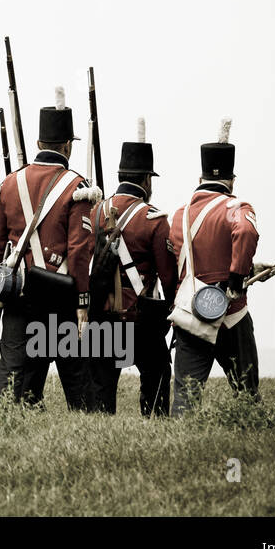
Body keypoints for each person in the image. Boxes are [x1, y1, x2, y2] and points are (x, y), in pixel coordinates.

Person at [0, 88, 99, 410]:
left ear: (38, 144)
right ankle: (89, 436)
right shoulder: (76, 186)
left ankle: (2, 432)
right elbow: (79, 251)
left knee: (12, 374)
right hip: (60, 295)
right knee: (76, 374)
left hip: (19, 293)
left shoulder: (10, 183)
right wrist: (82, 302)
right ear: (67, 146)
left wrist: (2, 285)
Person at [169, 119, 265, 417]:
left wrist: (244, 270)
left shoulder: (178, 216)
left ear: (200, 177)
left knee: (185, 400)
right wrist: (237, 278)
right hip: (232, 315)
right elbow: (246, 234)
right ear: (232, 179)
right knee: (246, 394)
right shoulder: (237, 208)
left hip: (193, 314)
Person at [83, 119, 177, 415]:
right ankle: (154, 425)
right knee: (158, 374)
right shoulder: (154, 219)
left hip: (101, 317)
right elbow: (168, 277)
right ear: (146, 180)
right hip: (139, 320)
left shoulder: (95, 211)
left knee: (100, 394)